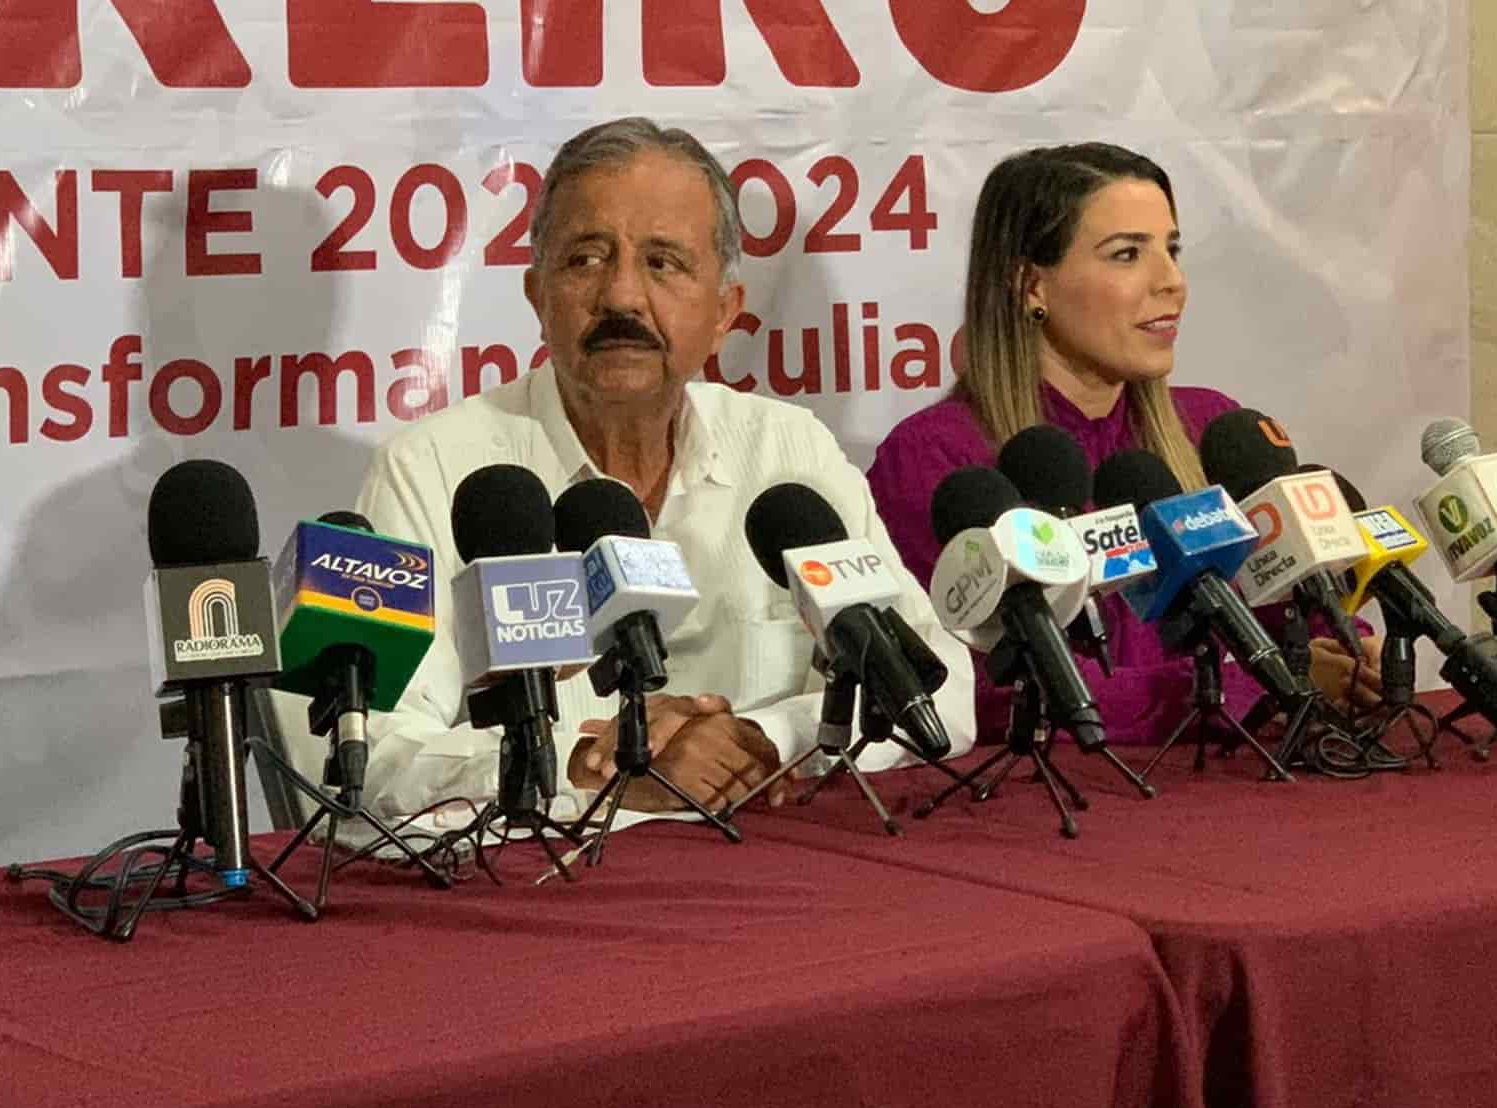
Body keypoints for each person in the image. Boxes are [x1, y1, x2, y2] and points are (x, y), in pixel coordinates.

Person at [355, 117, 975, 822]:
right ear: (536, 296)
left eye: (663, 263)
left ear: (724, 311)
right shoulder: (431, 470)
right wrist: (588, 765)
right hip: (547, 871)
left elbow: (940, 688)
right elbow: (367, 747)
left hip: (776, 860)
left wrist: (765, 739)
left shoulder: (789, 451)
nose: (621, 296)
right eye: (586, 259)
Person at [868, 143, 1380, 748]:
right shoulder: (937, 458)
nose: (1172, 283)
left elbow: (1294, 614)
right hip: (1065, 796)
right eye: (1128, 254)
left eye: (1172, 250)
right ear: (1031, 285)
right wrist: (1250, 688)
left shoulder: (1210, 427)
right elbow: (979, 688)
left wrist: (1346, 652)